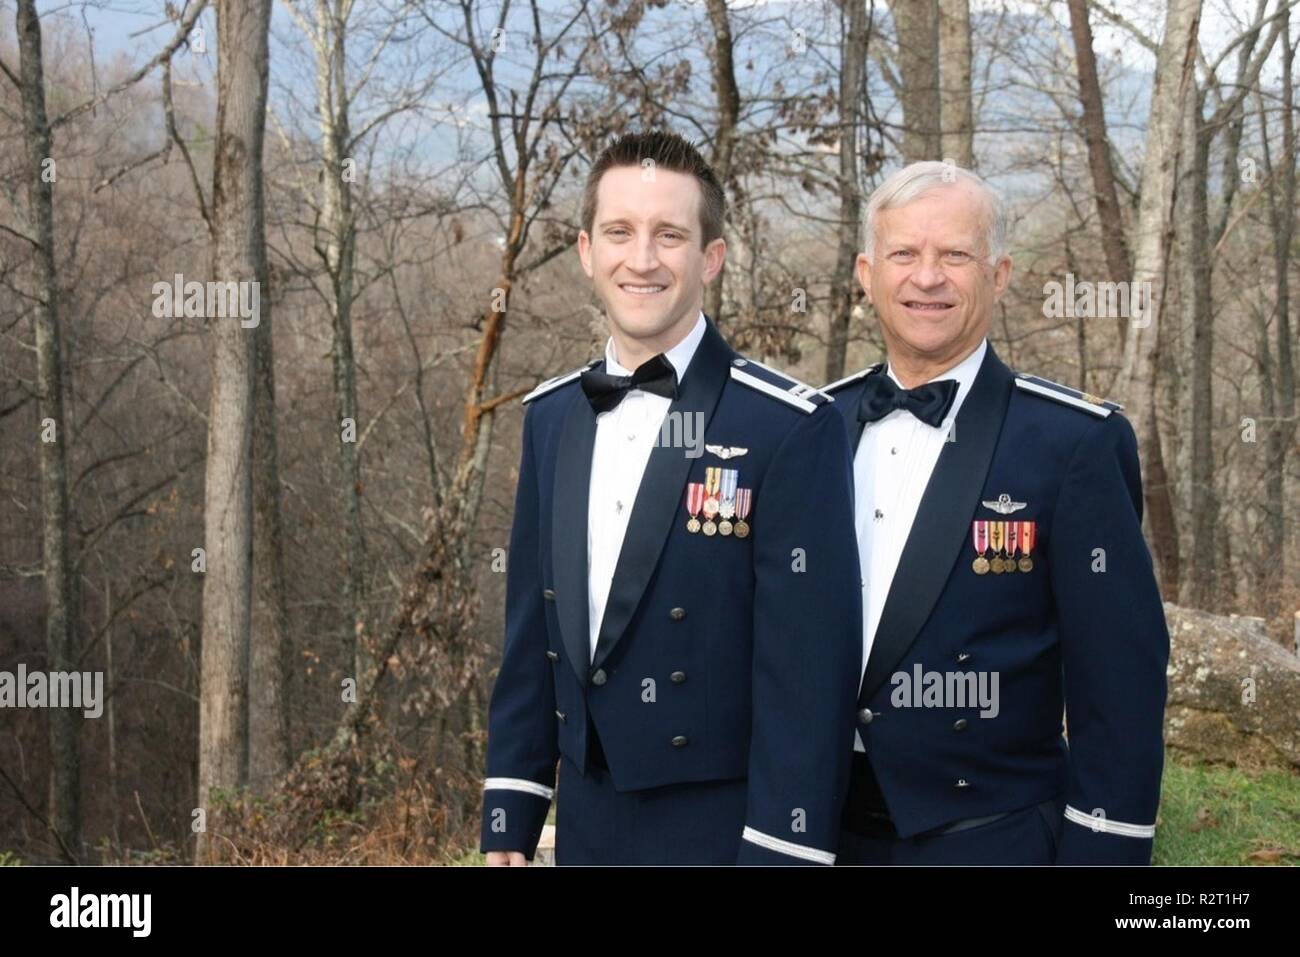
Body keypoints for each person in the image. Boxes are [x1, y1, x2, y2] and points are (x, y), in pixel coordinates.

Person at [480, 131, 861, 865]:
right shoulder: (551, 415)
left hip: (727, 830)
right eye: (620, 232)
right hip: (587, 826)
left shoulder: (787, 426)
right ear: (588, 251)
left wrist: (785, 848)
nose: (643, 258)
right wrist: (513, 804)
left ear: (709, 258)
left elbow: (810, 675)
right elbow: (533, 629)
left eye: (670, 235)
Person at [822, 161, 1169, 865]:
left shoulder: (1073, 442)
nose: (928, 277)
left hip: (988, 839)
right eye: (904, 254)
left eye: (955, 254)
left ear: (1000, 273)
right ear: (866, 272)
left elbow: (1120, 690)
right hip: (820, 832)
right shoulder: (810, 429)